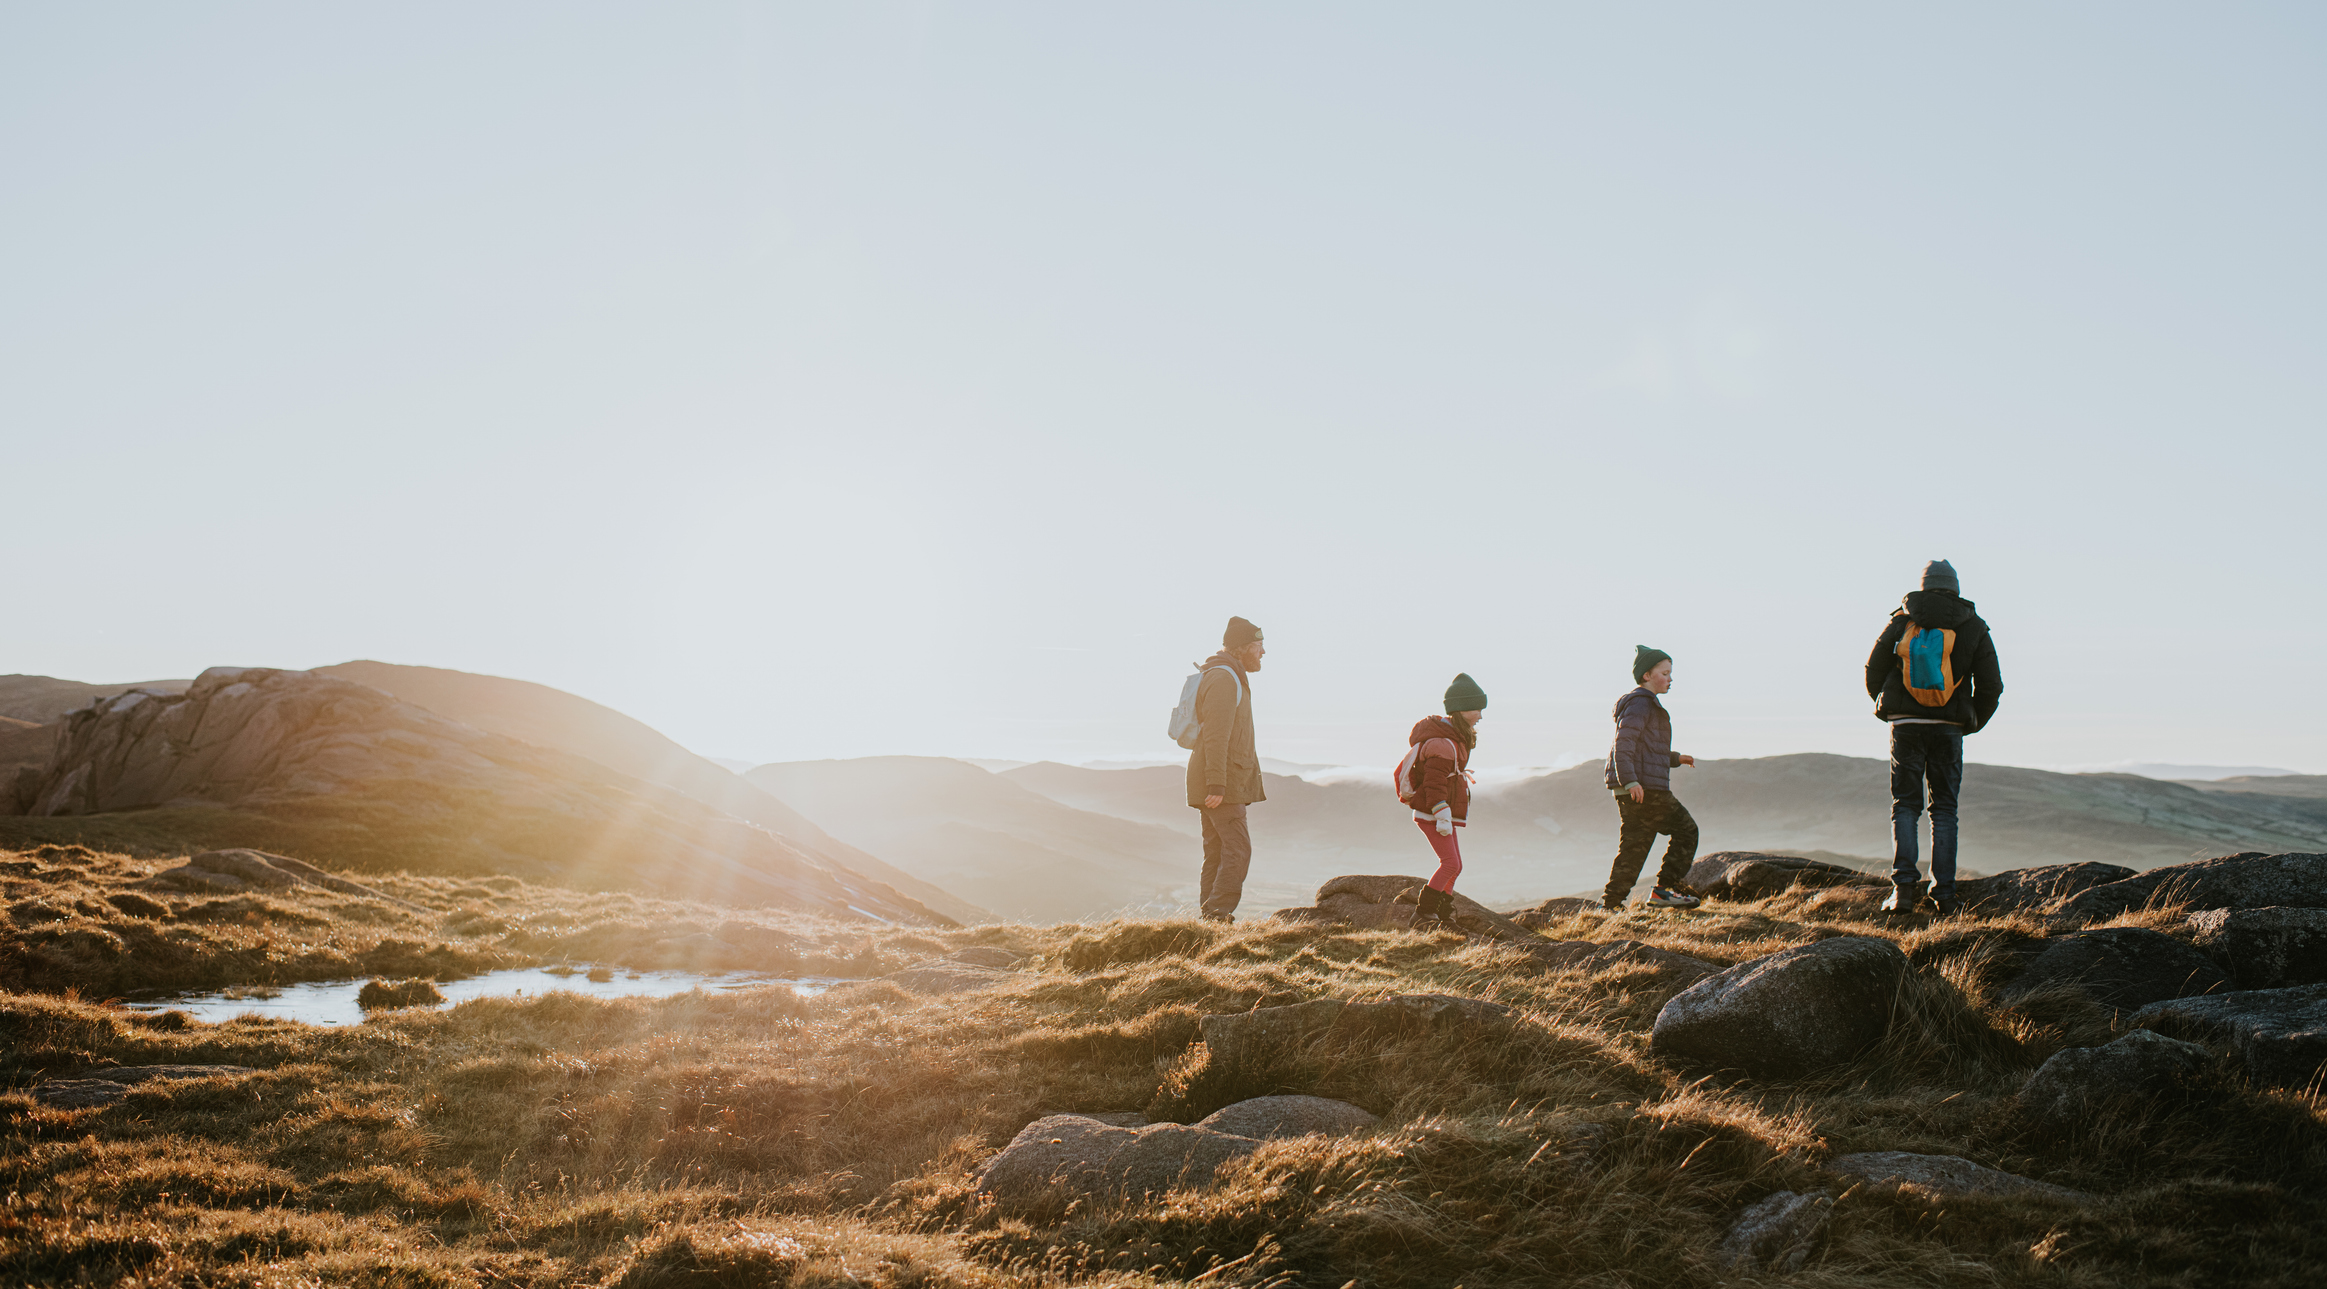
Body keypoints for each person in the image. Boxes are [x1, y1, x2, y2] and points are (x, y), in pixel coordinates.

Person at [1865, 559, 2002, 916]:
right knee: (1944, 810)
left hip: (1905, 724)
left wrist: (1888, 706)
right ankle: (1944, 895)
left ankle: (1903, 893)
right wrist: (1970, 720)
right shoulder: (1973, 626)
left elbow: (1873, 668)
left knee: (1905, 806)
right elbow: (1991, 685)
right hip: (1948, 727)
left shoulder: (1901, 621)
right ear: (1955, 587)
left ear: (1924, 586)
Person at [1602, 646, 1702, 911]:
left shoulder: (1642, 704)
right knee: (1686, 830)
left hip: (1633, 789)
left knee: (1635, 847)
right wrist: (1631, 780)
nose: (1670, 679)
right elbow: (1624, 744)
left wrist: (1676, 758)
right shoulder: (1641, 703)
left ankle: (1610, 903)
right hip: (1644, 789)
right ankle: (1665, 890)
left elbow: (1646, 750)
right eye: (1665, 673)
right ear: (1647, 675)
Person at [1185, 616, 1267, 922]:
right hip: (1220, 783)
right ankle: (1217, 914)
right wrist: (1217, 785)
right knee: (1238, 850)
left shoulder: (1229, 675)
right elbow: (1216, 737)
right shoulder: (1223, 679)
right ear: (1243, 647)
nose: (1262, 653)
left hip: (1220, 780)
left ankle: (1210, 920)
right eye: (1259, 646)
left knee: (1218, 853)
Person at [1404, 673, 1488, 932]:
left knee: (1456, 865)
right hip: (1433, 812)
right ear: (1461, 709)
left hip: (1442, 812)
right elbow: (1433, 783)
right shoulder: (1443, 743)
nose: (1481, 716)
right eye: (1477, 710)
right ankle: (1423, 913)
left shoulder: (1455, 739)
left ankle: (1444, 916)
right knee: (1450, 864)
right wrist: (1441, 812)